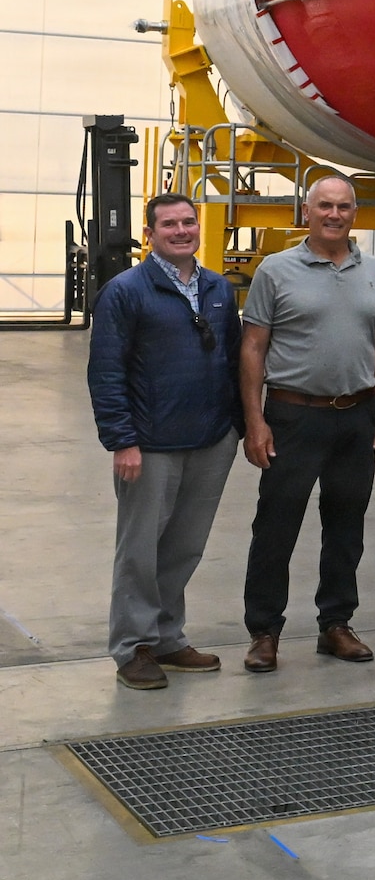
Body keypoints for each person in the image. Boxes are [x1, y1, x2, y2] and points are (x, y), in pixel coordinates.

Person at [238, 173, 375, 673]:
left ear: (354, 212)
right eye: (324, 205)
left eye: (343, 206)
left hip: (356, 416)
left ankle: (336, 624)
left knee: (346, 526)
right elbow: (253, 347)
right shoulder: (275, 270)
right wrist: (255, 420)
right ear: (307, 211)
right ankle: (264, 631)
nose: (334, 214)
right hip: (293, 416)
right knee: (276, 527)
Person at [87, 194, 242, 690]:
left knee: (184, 547)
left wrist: (236, 428)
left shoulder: (218, 288)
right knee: (139, 550)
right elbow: (106, 371)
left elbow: (235, 361)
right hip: (149, 444)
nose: (181, 230)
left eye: (189, 222)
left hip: (211, 440)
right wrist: (122, 441)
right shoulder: (126, 291)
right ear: (150, 234)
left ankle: (168, 638)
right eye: (169, 224)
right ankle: (132, 647)